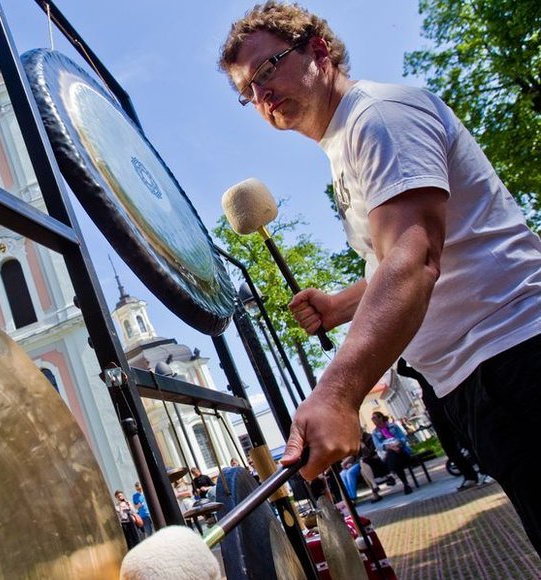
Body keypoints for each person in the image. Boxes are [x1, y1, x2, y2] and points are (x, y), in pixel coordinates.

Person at [219, 2, 541, 553]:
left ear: (317, 49)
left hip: (517, 353)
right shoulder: (343, 147)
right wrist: (344, 304)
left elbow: (413, 260)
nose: (262, 95)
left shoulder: (379, 117)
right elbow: (409, 255)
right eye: (248, 91)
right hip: (476, 376)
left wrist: (338, 392)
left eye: (268, 69)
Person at [396, 358, 485, 491]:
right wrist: (403, 351)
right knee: (449, 447)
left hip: (451, 406)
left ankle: (485, 471)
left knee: (468, 441)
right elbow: (401, 370)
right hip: (436, 412)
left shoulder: (439, 364)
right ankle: (470, 476)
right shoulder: (420, 371)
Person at [369, 412, 413, 495]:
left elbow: (403, 437)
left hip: (402, 451)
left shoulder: (393, 426)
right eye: (372, 419)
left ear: (381, 418)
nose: (373, 420)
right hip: (390, 454)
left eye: (374, 418)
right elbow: (378, 446)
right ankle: (406, 485)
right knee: (394, 457)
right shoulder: (374, 433)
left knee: (393, 457)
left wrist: (398, 444)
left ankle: (392, 475)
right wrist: (390, 447)